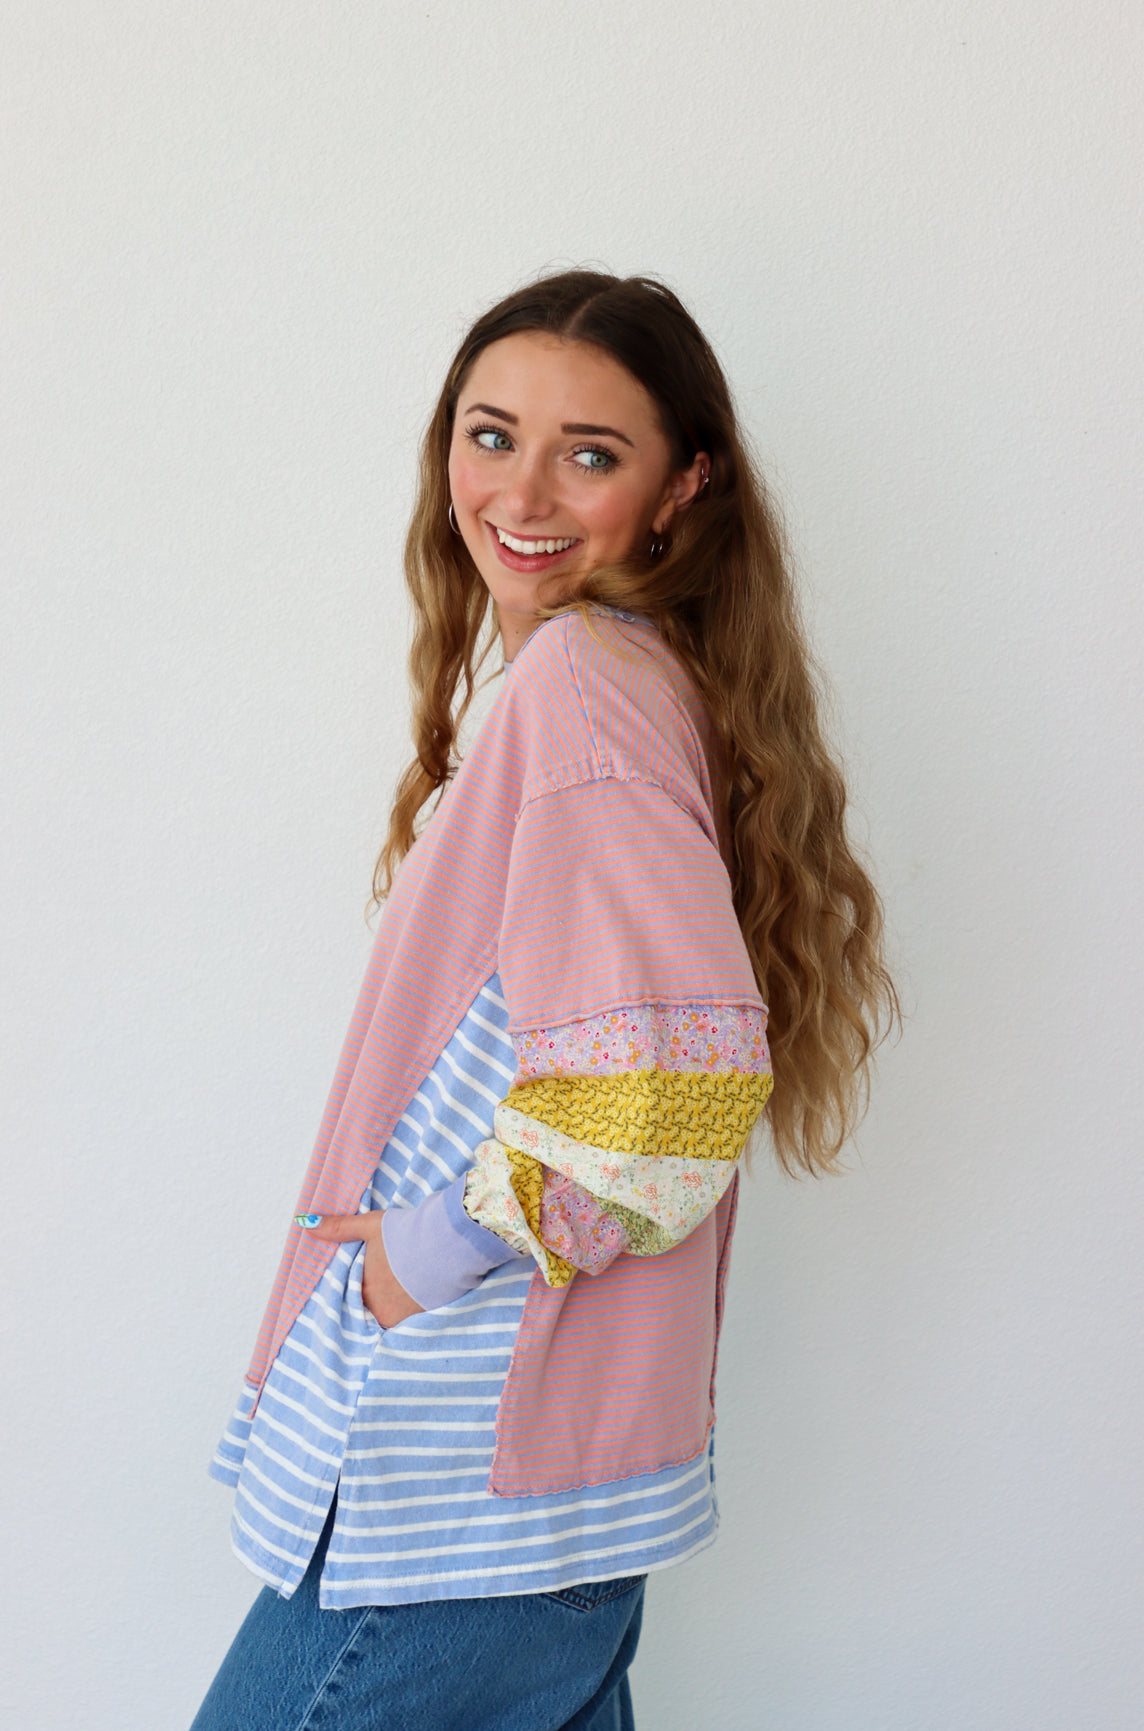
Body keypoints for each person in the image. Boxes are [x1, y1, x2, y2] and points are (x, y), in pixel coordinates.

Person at [191, 269, 898, 1731]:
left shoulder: (580, 683)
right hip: (541, 1489)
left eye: (589, 453)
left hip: (452, 1486)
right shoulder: (639, 679)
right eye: (491, 434)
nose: (520, 493)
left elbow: (674, 1089)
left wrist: (427, 1253)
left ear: (681, 486)